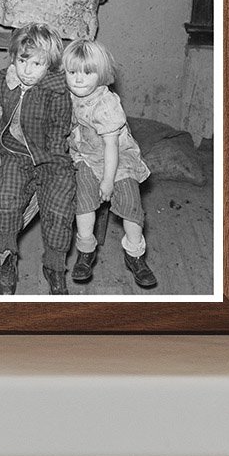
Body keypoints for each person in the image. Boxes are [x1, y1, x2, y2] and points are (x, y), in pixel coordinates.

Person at [0, 23, 76, 296]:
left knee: (60, 208)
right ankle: (7, 260)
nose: (28, 70)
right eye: (23, 60)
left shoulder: (56, 90)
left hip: (51, 158)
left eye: (38, 64)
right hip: (14, 153)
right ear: (13, 58)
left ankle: (54, 266)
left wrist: (54, 163)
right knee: (6, 199)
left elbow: (58, 128)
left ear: (50, 65)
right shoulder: (5, 80)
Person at [62, 39, 157, 290]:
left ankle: (135, 253)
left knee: (129, 200)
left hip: (116, 157)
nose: (79, 80)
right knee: (83, 198)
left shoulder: (107, 104)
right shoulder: (68, 94)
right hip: (84, 155)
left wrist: (107, 180)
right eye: (72, 73)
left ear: (102, 75)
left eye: (87, 73)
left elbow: (111, 147)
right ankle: (86, 249)